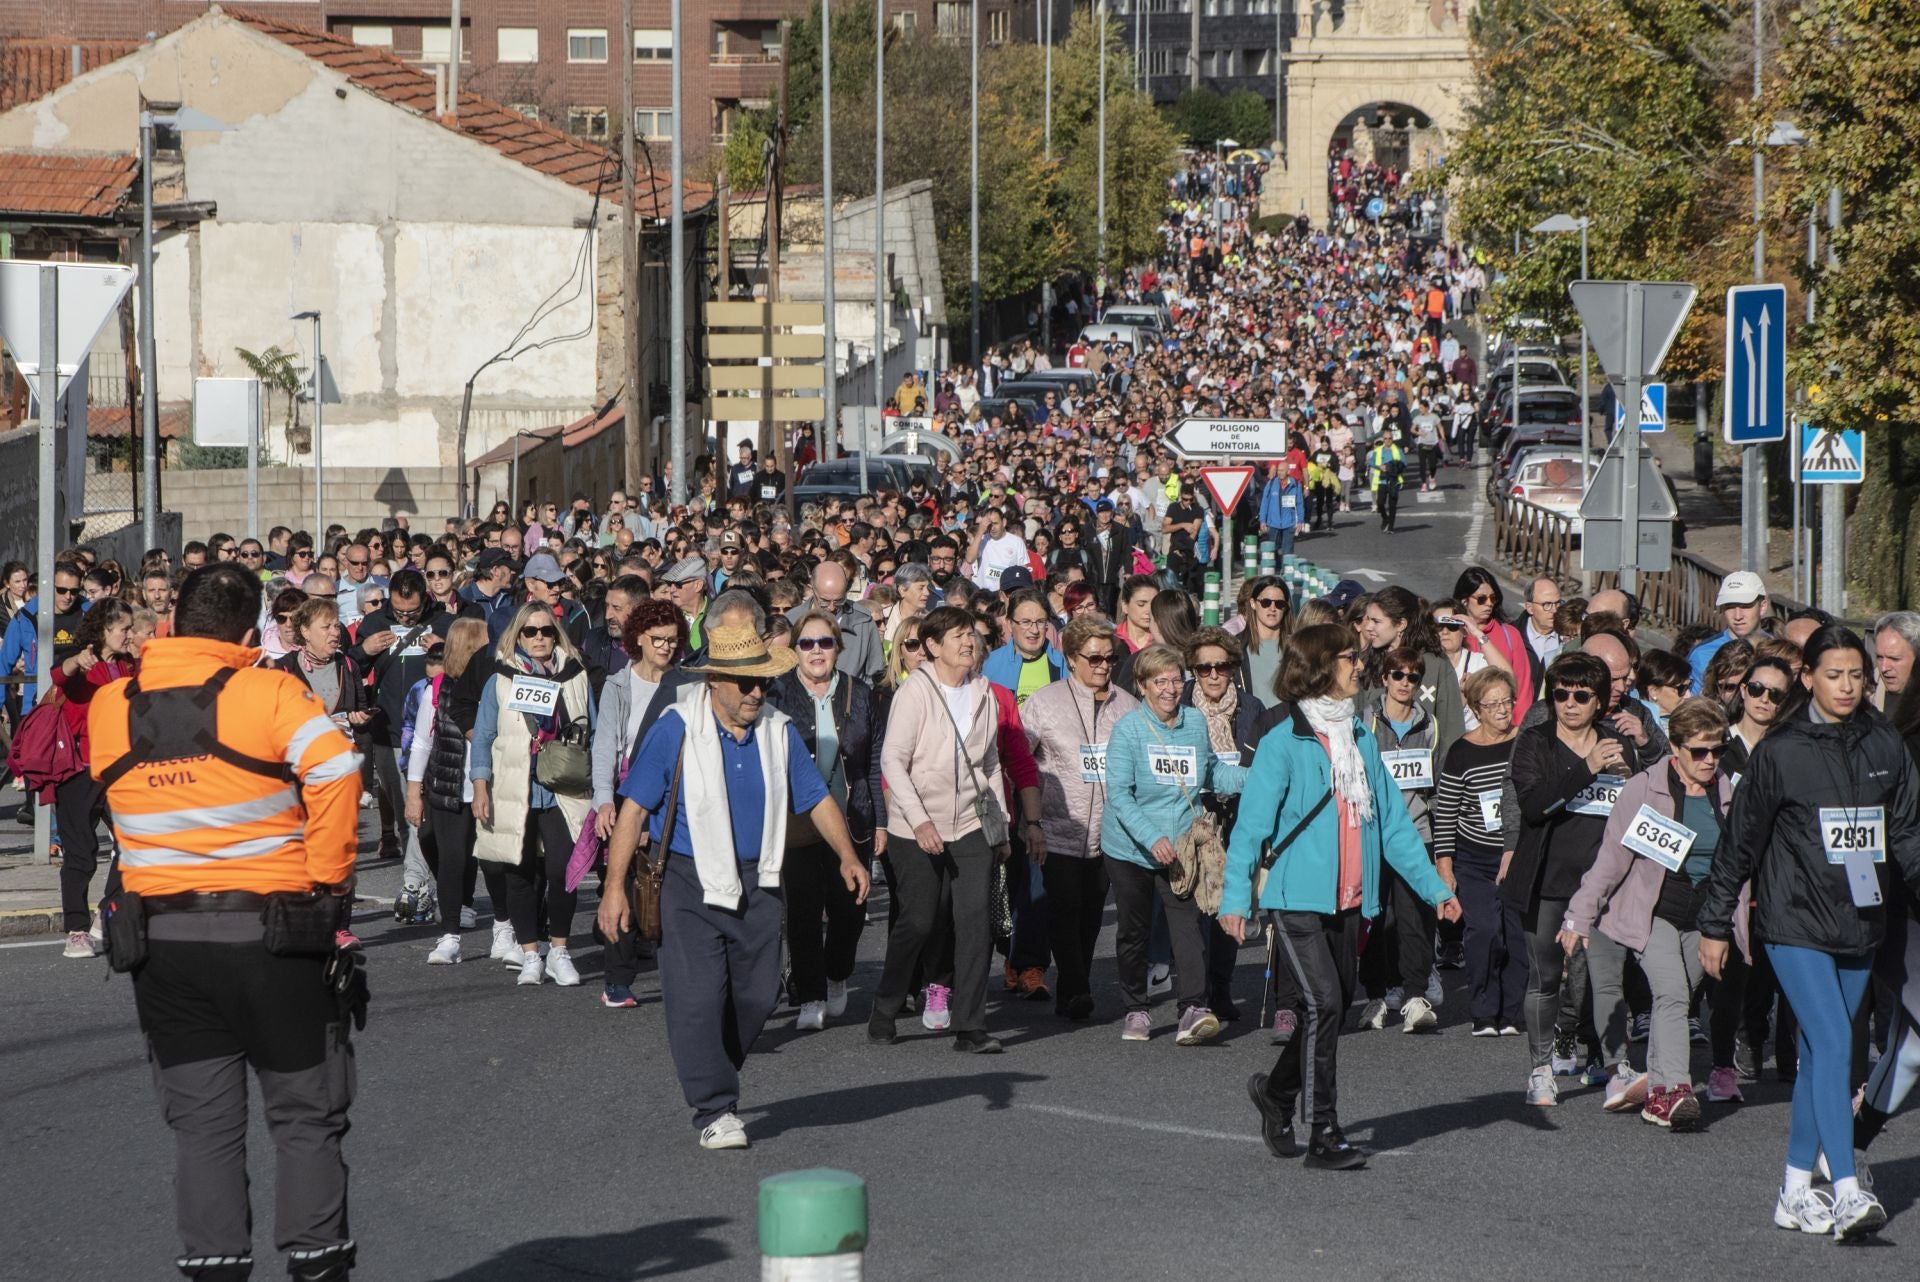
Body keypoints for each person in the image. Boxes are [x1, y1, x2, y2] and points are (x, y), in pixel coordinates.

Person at [90, 562, 364, 1282]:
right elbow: (337, 771)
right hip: (270, 933)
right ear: (251, 633)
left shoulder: (112, 705)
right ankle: (316, 1262)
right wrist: (326, 880)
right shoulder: (270, 691)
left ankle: (215, 1269)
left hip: (164, 942)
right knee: (306, 1115)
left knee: (203, 1129)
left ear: (172, 619)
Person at [601, 617, 868, 1149]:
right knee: (697, 999)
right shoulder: (676, 726)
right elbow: (633, 810)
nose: (755, 692)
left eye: (762, 682)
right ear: (712, 682)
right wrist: (612, 888)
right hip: (686, 880)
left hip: (760, 880)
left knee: (760, 993)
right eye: (744, 682)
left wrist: (847, 855)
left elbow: (814, 797)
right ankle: (714, 1108)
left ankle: (711, 1065)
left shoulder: (777, 728)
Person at [1699, 625, 1920, 1240]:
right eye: (1833, 674)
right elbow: (1739, 844)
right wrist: (1716, 923)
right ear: (1808, 678)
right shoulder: (1780, 751)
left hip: (1861, 918)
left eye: (1856, 674)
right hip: (1793, 919)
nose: (1847, 686)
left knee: (1825, 1053)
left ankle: (1795, 1190)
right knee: (1834, 1042)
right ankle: (1845, 1188)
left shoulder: (1885, 744)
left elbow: (1905, 837)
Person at [1221, 624, 1462, 1170]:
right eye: (1351, 656)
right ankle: (1323, 1132)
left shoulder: (1359, 737)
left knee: (1322, 1014)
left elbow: (1396, 826)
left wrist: (1434, 889)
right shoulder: (1286, 740)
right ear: (1321, 666)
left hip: (1353, 902)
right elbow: (1251, 828)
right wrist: (1236, 900)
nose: (1361, 664)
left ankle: (1277, 1094)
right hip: (1296, 900)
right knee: (1326, 1005)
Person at [1562, 697, 1738, 1131]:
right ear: (1675, 747)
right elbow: (1611, 860)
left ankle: (1657, 1091)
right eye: (1699, 751)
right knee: (1674, 992)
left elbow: (1741, 864)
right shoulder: (1644, 788)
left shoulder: (1729, 793)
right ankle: (1673, 1090)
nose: (1709, 759)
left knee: (1677, 999)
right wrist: (1578, 916)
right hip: (1653, 911)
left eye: (1717, 750)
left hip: (1707, 916)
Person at [872, 605, 1022, 1053]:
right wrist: (919, 821)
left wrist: (1002, 827)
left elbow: (991, 761)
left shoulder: (983, 691)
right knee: (918, 921)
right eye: (956, 636)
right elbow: (892, 762)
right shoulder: (914, 692)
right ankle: (885, 1006)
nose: (968, 642)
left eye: (971, 634)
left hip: (973, 822)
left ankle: (970, 1026)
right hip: (915, 824)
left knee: (975, 923)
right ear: (933, 646)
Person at [1508, 651, 1651, 1107]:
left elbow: (1646, 804)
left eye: (1582, 695)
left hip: (1606, 884)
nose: (1570, 703)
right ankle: (1541, 1069)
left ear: (1600, 700)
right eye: (1561, 694)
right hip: (1548, 879)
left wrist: (1634, 773)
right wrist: (1586, 768)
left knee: (1605, 978)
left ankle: (1611, 1064)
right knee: (1546, 977)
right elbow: (1534, 807)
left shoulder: (1618, 742)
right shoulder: (1535, 742)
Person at [1101, 643, 1247, 1044]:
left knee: (1188, 926)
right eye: (1159, 681)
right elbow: (1118, 793)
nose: (1169, 689)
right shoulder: (1128, 730)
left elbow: (1213, 774)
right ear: (1143, 686)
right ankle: (1136, 1007)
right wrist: (1152, 837)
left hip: (1181, 846)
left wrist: (1257, 777)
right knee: (1134, 930)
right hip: (1130, 846)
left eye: (1175, 679)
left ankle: (1192, 1009)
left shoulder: (1195, 723)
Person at [767, 611, 887, 1030]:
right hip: (799, 822)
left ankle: (837, 975)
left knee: (849, 910)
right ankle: (811, 994)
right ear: (795, 650)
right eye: (807, 643)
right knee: (801, 911)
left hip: (852, 819)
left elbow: (874, 764)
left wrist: (883, 823)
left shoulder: (860, 692)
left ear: (838, 647)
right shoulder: (777, 693)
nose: (816, 651)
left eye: (825, 643)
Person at [471, 603, 597, 987]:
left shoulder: (576, 675)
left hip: (562, 787)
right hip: (514, 786)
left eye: (546, 631)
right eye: (530, 631)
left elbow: (592, 729)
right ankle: (530, 954)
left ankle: (559, 950)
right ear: (518, 636)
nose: (539, 638)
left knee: (563, 870)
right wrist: (480, 786)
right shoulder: (501, 680)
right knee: (518, 871)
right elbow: (484, 736)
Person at [1022, 616, 1136, 1020]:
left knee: (1091, 915)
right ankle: (1075, 986)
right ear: (1071, 658)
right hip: (1059, 825)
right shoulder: (1044, 702)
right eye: (1094, 658)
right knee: (1063, 907)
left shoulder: (1128, 705)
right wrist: (1029, 820)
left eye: (1110, 657)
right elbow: (1021, 760)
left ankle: (1074, 985)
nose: (1104, 665)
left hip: (1111, 831)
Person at [1355, 644, 1444, 1033]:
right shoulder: (1365, 722)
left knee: (1416, 919)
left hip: (1416, 833)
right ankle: (1376, 995)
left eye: (1413, 677)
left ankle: (1414, 997)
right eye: (1398, 675)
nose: (1405, 683)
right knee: (1375, 918)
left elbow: (1437, 787)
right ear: (1384, 679)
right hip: (1374, 834)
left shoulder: (1430, 725)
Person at [403, 618, 501, 967]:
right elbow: (421, 742)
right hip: (448, 787)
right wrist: (414, 793)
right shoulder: (437, 690)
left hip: (491, 787)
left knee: (493, 860)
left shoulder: (498, 686)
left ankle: (505, 930)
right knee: (451, 858)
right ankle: (450, 935)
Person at [1433, 667, 1526, 1036]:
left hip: (1518, 854)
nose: (1503, 710)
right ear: (1476, 708)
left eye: (1507, 702)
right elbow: (1445, 813)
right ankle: (1484, 1009)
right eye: (1493, 704)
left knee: (1516, 936)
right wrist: (1445, 866)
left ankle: (1514, 1012)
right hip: (1475, 857)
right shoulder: (1461, 751)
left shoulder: (1526, 742)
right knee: (1485, 930)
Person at [49, 599, 138, 956]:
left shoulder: (129, 665)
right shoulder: (84, 660)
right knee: (81, 853)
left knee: (133, 844)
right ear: (104, 630)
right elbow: (61, 673)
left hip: (118, 771)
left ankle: (106, 911)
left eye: (131, 628)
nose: (129, 634)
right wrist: (77, 661)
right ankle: (76, 929)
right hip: (79, 771)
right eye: (123, 628)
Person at [1688, 570, 1769, 694]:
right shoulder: (1702, 654)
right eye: (1730, 607)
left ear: (1762, 607)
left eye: (1745, 606)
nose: (1737, 616)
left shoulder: (1777, 649)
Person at [1228, 576, 1290, 708]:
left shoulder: (1296, 648)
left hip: (1288, 725)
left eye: (1279, 604)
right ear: (1253, 603)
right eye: (1266, 602)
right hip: (1251, 725)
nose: (1272, 608)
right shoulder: (1235, 647)